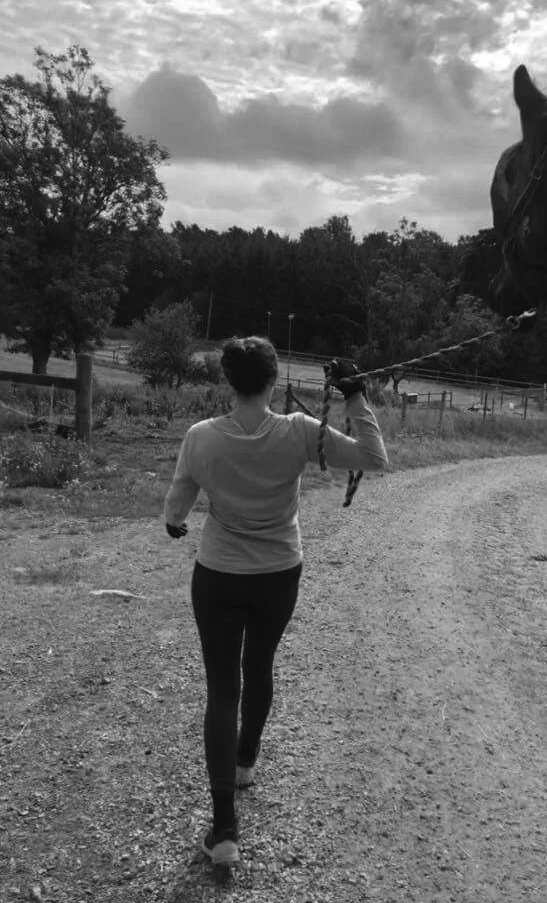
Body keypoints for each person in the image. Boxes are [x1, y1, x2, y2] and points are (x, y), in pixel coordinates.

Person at [163, 336, 388, 867]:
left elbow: (180, 497)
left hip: (218, 575)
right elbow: (374, 457)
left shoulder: (200, 437)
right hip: (277, 574)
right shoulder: (299, 431)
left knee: (222, 690)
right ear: (273, 380)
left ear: (229, 380)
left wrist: (175, 522)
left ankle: (223, 830)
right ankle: (245, 761)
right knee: (259, 665)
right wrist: (356, 396)